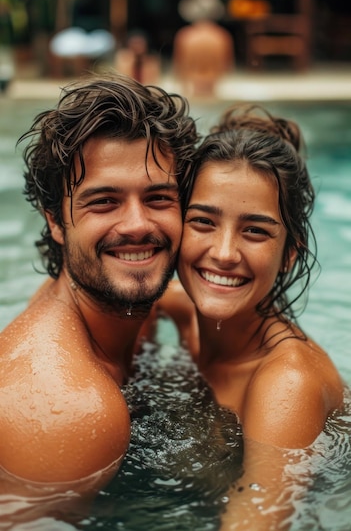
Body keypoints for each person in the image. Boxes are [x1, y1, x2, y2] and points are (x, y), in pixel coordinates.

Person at [0, 72, 198, 499]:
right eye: (104, 201)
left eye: (158, 198)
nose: (137, 225)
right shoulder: (70, 410)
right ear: (55, 220)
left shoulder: (118, 299)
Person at [157, 107, 345, 528]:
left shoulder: (286, 385)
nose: (224, 253)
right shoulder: (184, 308)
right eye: (203, 221)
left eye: (255, 231)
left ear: (289, 254)